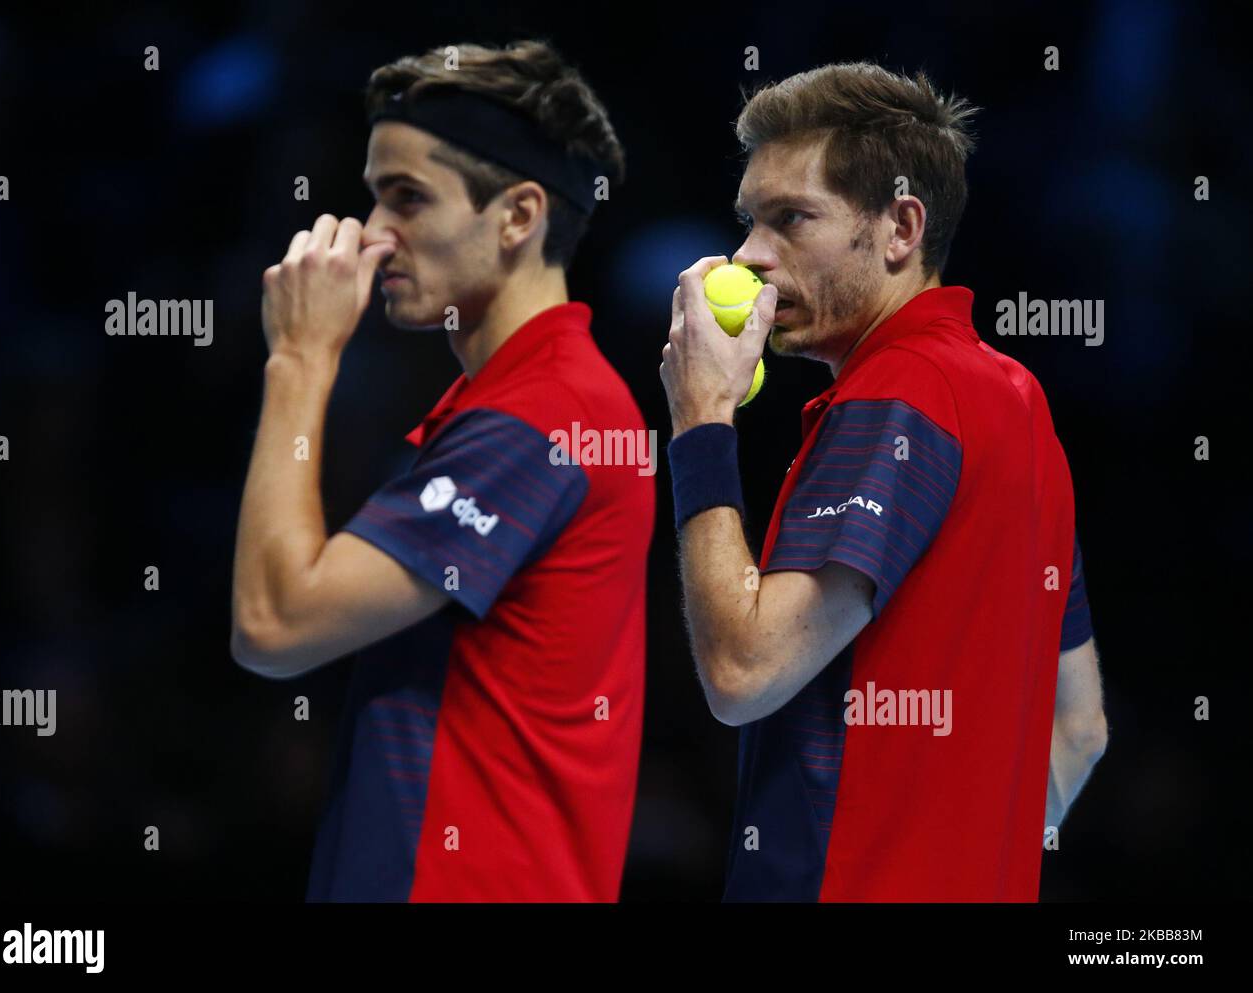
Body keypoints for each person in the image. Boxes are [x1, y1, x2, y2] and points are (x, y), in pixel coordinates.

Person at [660, 61, 1106, 901]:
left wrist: (702, 421)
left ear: (901, 226)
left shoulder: (895, 396)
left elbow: (743, 671)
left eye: (792, 218)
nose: (750, 255)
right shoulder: (1018, 404)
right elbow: (1078, 730)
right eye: (750, 220)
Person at [231, 40, 653, 902]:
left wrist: (301, 361)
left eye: (408, 199)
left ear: (518, 215)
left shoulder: (543, 419)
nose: (375, 236)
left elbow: (274, 623)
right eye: (374, 195)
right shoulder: (536, 402)